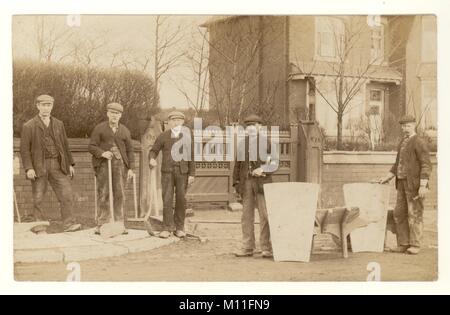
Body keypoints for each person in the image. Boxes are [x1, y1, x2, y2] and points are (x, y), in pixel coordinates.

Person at [20, 94, 81, 232]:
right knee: (38, 197)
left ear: (52, 106)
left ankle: (68, 224)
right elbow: (24, 150)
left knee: (66, 194)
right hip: (38, 166)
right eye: (43, 105)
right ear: (38, 106)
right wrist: (29, 168)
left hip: (57, 165)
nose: (46, 108)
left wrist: (70, 163)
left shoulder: (59, 124)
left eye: (49, 105)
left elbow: (65, 145)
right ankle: (40, 227)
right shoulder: (29, 126)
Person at [379, 114, 432, 255]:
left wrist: (423, 185)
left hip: (415, 186)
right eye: (403, 126)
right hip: (401, 184)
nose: (405, 128)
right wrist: (387, 177)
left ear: (414, 125)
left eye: (408, 125)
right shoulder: (402, 142)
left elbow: (426, 165)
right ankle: (403, 243)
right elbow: (397, 165)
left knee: (414, 214)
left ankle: (415, 244)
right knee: (399, 213)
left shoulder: (419, 142)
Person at [233, 114, 276, 258]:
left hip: (262, 184)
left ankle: (265, 247)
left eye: (254, 125)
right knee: (246, 217)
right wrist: (236, 184)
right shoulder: (242, 144)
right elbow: (237, 166)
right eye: (248, 126)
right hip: (246, 183)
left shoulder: (268, 142)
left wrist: (263, 169)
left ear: (260, 127)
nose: (251, 128)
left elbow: (274, 164)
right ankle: (247, 247)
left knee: (265, 215)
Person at [89, 103, 135, 235]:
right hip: (104, 165)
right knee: (104, 193)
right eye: (112, 112)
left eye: (117, 113)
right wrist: (102, 153)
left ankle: (119, 223)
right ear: (108, 113)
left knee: (119, 194)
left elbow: (130, 151)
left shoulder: (125, 131)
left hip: (120, 167)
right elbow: (91, 146)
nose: (114, 115)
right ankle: (102, 224)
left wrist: (131, 168)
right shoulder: (99, 128)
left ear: (120, 115)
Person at [148, 111, 195, 239]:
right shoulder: (163, 136)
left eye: (179, 120)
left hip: (183, 173)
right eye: (173, 120)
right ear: (169, 122)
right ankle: (167, 228)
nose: (176, 123)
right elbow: (153, 151)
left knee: (181, 200)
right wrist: (152, 159)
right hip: (167, 172)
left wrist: (192, 174)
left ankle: (179, 228)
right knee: (167, 199)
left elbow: (192, 155)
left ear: (183, 122)